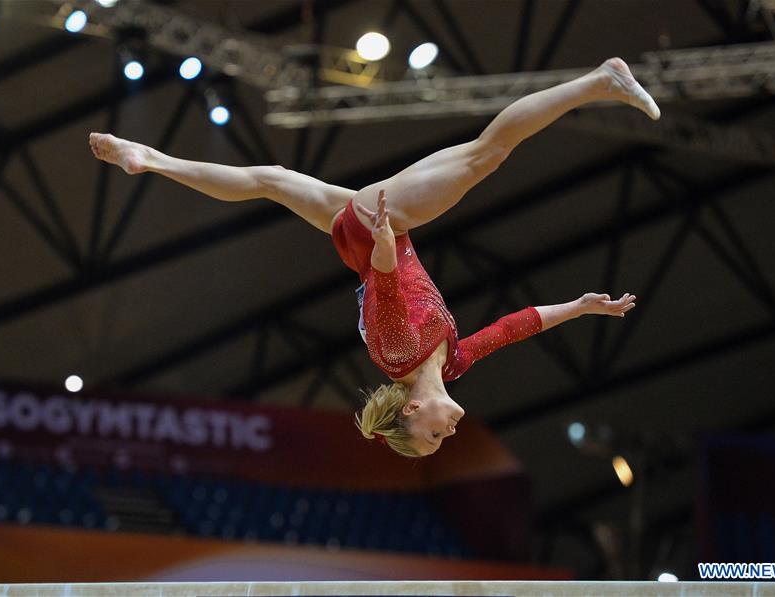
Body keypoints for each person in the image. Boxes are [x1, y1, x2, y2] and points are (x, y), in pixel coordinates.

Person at [89, 57, 655, 457]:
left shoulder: (399, 354)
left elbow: (384, 291)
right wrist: (578, 308)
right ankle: (152, 159)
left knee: (489, 153)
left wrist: (386, 240)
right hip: (363, 234)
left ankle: (599, 82)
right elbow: (512, 328)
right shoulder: (449, 362)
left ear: (411, 413)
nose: (448, 434)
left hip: (378, 228)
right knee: (271, 179)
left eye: (434, 436)